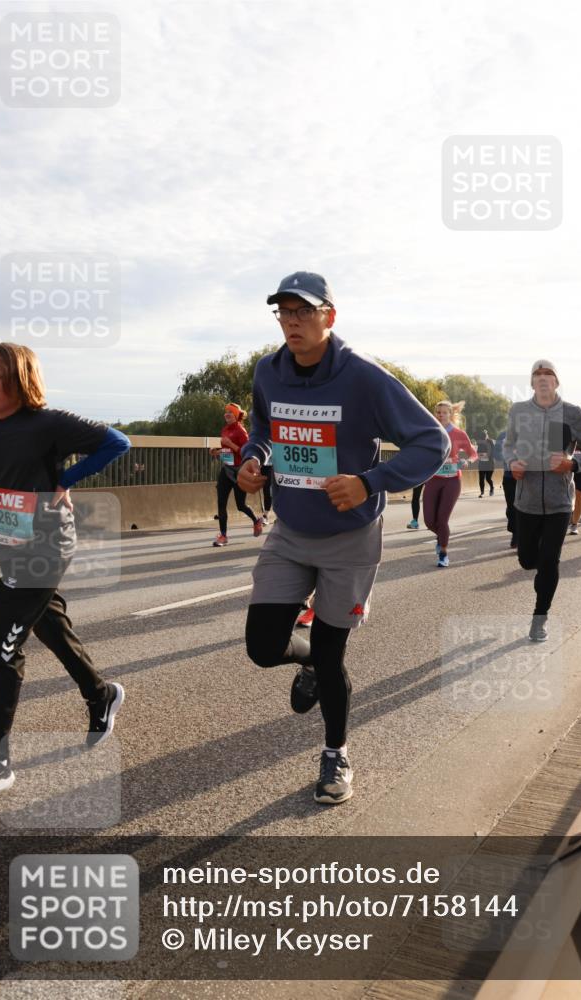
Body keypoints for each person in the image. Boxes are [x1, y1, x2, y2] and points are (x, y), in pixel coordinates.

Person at [237, 271, 449, 805]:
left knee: (332, 658)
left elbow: (432, 441)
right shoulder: (268, 372)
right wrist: (254, 458)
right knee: (263, 647)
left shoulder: (364, 378)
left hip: (349, 537)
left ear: (329, 316)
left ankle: (336, 754)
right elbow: (262, 428)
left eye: (303, 312)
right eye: (284, 312)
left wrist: (370, 482)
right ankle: (306, 658)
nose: (292, 322)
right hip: (291, 529)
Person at [0, 343, 130, 801]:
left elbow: (117, 442)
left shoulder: (48, 423)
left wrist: (66, 481)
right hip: (7, 541)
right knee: (47, 624)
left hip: (45, 546)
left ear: (20, 380)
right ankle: (100, 694)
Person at [503, 359, 581, 642]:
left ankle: (539, 618)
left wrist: (572, 464)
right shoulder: (519, 411)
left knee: (549, 561)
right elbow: (508, 445)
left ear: (556, 381)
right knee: (527, 560)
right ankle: (541, 574)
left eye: (549, 374)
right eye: (538, 374)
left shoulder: (572, 413)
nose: (543, 378)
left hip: (559, 503)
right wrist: (512, 463)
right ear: (532, 382)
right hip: (527, 501)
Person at [422, 400, 477, 567]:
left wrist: (467, 461)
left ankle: (443, 553)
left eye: (444, 412)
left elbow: (473, 453)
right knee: (429, 521)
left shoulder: (459, 434)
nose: (440, 415)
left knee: (442, 519)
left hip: (452, 480)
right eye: (438, 412)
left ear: (450, 414)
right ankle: (442, 537)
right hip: (433, 479)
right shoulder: (430, 432)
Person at [209, 403, 263, 546]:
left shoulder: (241, 431)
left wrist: (230, 444)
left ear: (236, 416)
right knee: (221, 503)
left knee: (240, 505)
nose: (227, 414)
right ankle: (223, 536)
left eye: (230, 412)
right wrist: (217, 451)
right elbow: (228, 450)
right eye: (226, 412)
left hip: (240, 471)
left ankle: (256, 520)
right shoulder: (225, 429)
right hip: (227, 469)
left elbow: (245, 452)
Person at [495, 429, 517, 548]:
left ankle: (525, 535)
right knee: (512, 507)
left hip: (528, 478)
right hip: (509, 477)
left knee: (527, 508)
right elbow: (496, 455)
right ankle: (515, 533)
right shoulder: (502, 435)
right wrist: (508, 455)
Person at [476, 431, 495, 497]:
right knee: (481, 478)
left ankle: (492, 488)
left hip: (490, 464)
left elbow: (493, 452)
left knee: (488, 478)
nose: (483, 438)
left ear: (487, 436)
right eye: (482, 437)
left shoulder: (490, 442)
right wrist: (480, 455)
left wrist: (488, 456)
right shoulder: (480, 444)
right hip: (482, 463)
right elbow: (478, 452)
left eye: (485, 436)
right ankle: (482, 492)